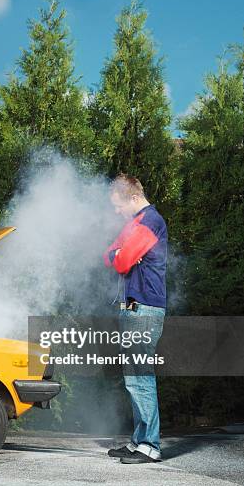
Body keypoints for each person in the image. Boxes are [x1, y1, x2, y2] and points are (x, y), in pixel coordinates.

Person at [103, 174, 167, 464]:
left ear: (132, 198)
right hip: (132, 308)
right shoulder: (135, 224)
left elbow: (122, 262)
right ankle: (139, 441)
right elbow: (109, 256)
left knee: (140, 375)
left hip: (143, 308)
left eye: (118, 206)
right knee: (133, 377)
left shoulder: (150, 221)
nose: (117, 212)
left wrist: (122, 254)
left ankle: (150, 446)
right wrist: (120, 253)